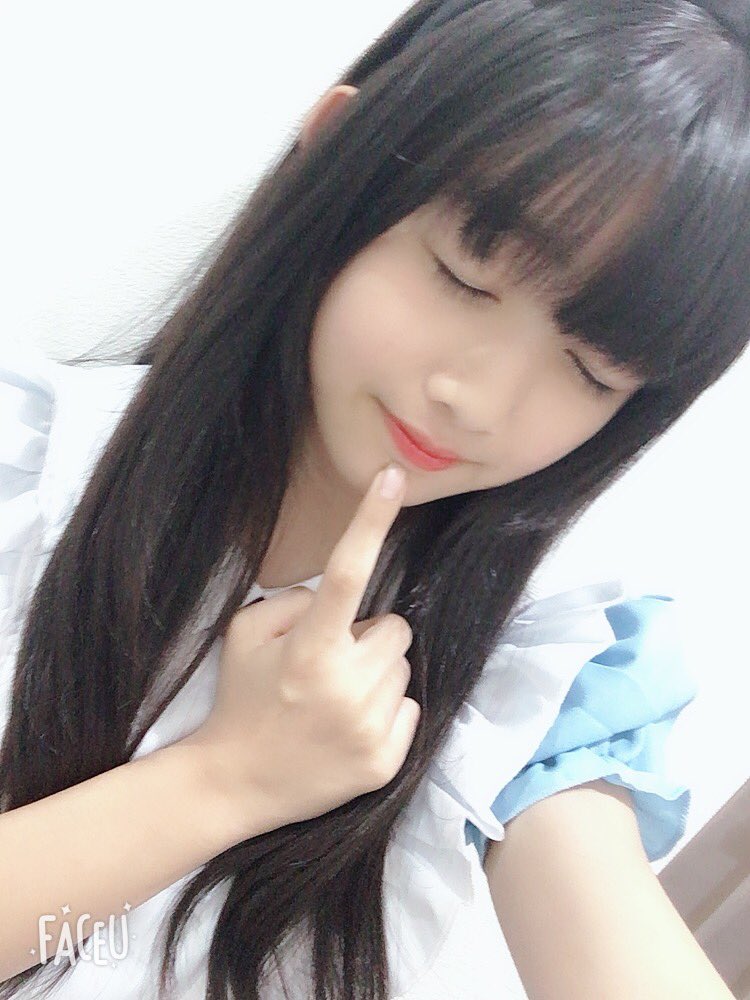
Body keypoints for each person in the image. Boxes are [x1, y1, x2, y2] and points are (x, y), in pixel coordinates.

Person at [0, 0, 747, 997]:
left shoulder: (540, 671)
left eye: (591, 370)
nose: (478, 400)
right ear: (337, 156)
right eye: (466, 277)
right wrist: (228, 778)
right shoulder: (26, 460)